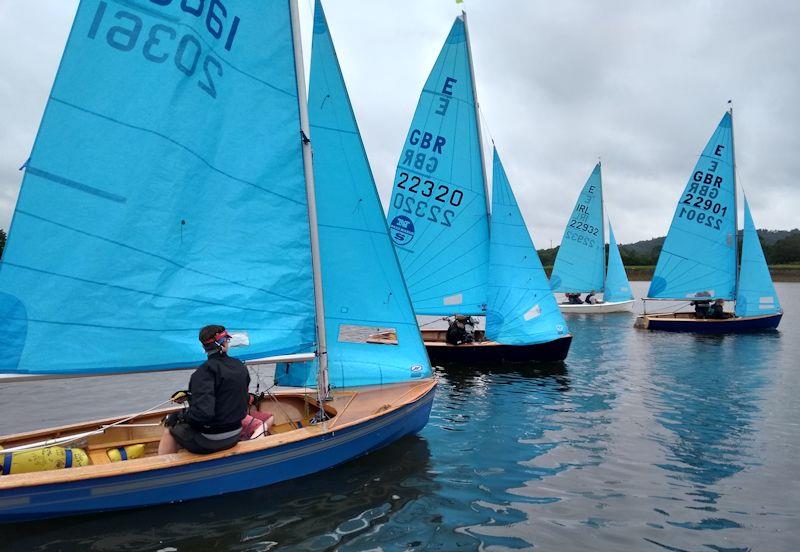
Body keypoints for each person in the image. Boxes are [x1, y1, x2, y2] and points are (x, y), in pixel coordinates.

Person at [158, 325, 253, 455]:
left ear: (204, 347)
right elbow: (228, 394)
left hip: (211, 440)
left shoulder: (202, 373)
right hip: (235, 433)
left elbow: (203, 414)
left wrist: (178, 416)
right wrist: (191, 396)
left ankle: (165, 472)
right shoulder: (240, 366)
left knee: (170, 430)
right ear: (224, 343)